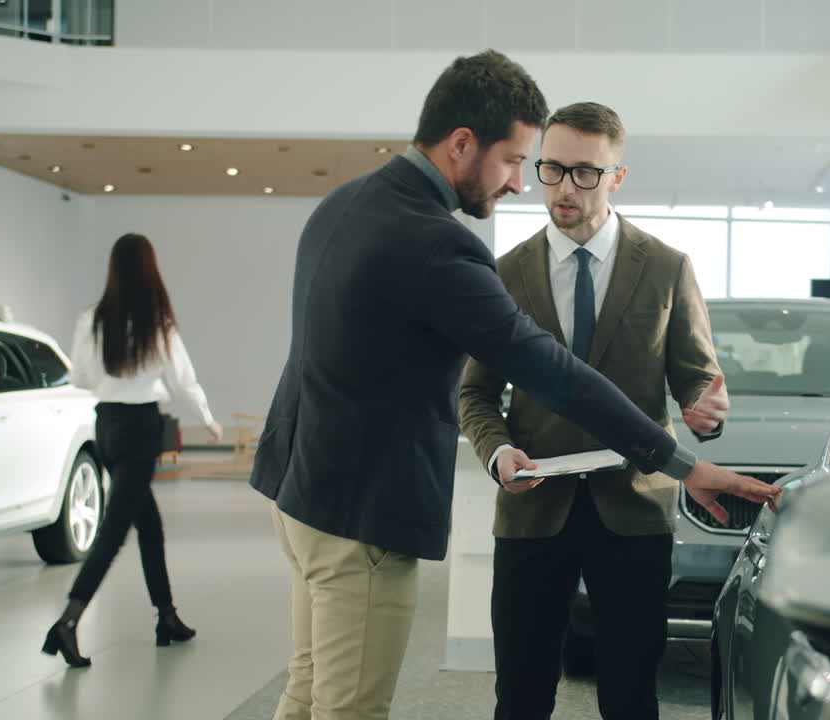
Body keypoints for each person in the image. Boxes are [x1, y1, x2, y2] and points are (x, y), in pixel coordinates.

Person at [249, 50, 779, 720]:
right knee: (349, 709)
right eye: (515, 162)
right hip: (363, 508)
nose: (522, 185)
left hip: (302, 490)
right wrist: (681, 463)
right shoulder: (437, 242)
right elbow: (547, 369)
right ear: (462, 144)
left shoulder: (347, 201)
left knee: (306, 694)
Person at [457, 101, 728, 720]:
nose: (564, 188)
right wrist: (497, 452)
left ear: (618, 177)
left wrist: (705, 410)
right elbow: (475, 392)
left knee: (631, 695)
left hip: (633, 507)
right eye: (552, 169)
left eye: (585, 173)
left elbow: (696, 381)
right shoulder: (502, 273)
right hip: (532, 507)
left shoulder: (665, 268)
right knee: (521, 695)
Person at [41, 232, 223, 668]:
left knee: (150, 526)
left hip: (106, 426)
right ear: (150, 270)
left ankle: (167, 617)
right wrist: (208, 418)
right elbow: (183, 379)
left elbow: (81, 377)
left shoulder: (93, 319)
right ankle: (67, 621)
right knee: (114, 532)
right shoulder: (157, 323)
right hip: (142, 429)